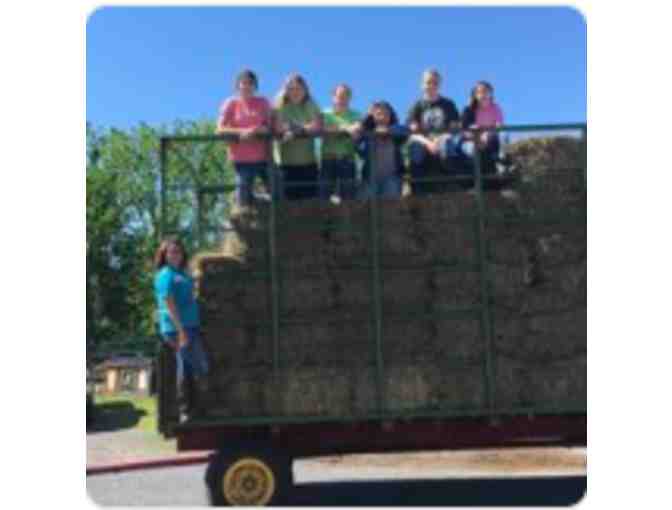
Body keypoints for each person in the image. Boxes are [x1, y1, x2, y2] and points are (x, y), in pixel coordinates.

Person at [154, 238, 209, 421]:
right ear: (164, 255)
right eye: (171, 252)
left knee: (196, 366)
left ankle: (193, 409)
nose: (175, 255)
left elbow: (191, 291)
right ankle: (185, 409)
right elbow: (169, 303)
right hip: (177, 328)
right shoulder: (165, 275)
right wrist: (180, 330)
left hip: (190, 326)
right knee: (187, 367)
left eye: (178, 251)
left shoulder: (181, 273)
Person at [216, 69, 274, 206]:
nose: (247, 86)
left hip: (263, 158)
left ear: (255, 86)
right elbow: (219, 129)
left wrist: (259, 130)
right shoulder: (231, 103)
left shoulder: (263, 102)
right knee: (243, 199)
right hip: (241, 159)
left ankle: (261, 201)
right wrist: (242, 132)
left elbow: (271, 126)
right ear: (238, 86)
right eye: (244, 83)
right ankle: (248, 200)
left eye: (250, 83)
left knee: (277, 191)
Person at [406, 69, 461, 194]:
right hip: (423, 142)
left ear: (439, 85)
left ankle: (450, 184)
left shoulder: (448, 104)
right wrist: (428, 143)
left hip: (443, 139)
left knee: (448, 144)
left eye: (435, 83)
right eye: (428, 82)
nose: (431, 85)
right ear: (422, 85)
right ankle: (417, 189)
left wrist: (439, 139)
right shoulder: (416, 106)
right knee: (415, 147)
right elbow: (413, 132)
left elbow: (454, 127)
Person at [273, 73, 323, 200]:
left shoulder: (310, 103)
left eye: (298, 88)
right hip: (285, 163)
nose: (295, 92)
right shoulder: (280, 102)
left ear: (305, 90)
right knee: (287, 203)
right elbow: (278, 126)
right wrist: (302, 127)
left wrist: (296, 130)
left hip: (308, 163)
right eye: (291, 89)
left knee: (310, 203)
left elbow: (317, 125)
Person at [356, 101, 409, 199]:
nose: (382, 117)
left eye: (386, 114)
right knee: (366, 205)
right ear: (373, 116)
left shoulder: (396, 131)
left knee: (390, 205)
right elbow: (357, 144)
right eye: (378, 114)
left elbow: (405, 131)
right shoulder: (367, 133)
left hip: (392, 179)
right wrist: (367, 117)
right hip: (370, 178)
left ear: (390, 116)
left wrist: (388, 130)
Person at [320, 84, 362, 201]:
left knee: (348, 197)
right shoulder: (324, 113)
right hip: (328, 159)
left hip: (347, 159)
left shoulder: (356, 114)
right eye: (339, 96)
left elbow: (358, 127)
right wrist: (345, 128)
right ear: (333, 97)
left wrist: (349, 129)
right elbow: (322, 128)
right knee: (324, 196)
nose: (342, 99)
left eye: (346, 96)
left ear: (350, 98)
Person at [458, 80, 505, 185]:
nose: (483, 95)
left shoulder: (495, 108)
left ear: (491, 93)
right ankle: (473, 182)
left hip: (490, 139)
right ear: (475, 94)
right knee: (473, 150)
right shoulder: (469, 110)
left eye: (486, 91)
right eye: (479, 92)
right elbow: (463, 130)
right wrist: (477, 138)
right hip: (472, 140)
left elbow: (499, 125)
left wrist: (488, 134)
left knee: (503, 137)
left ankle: (501, 165)